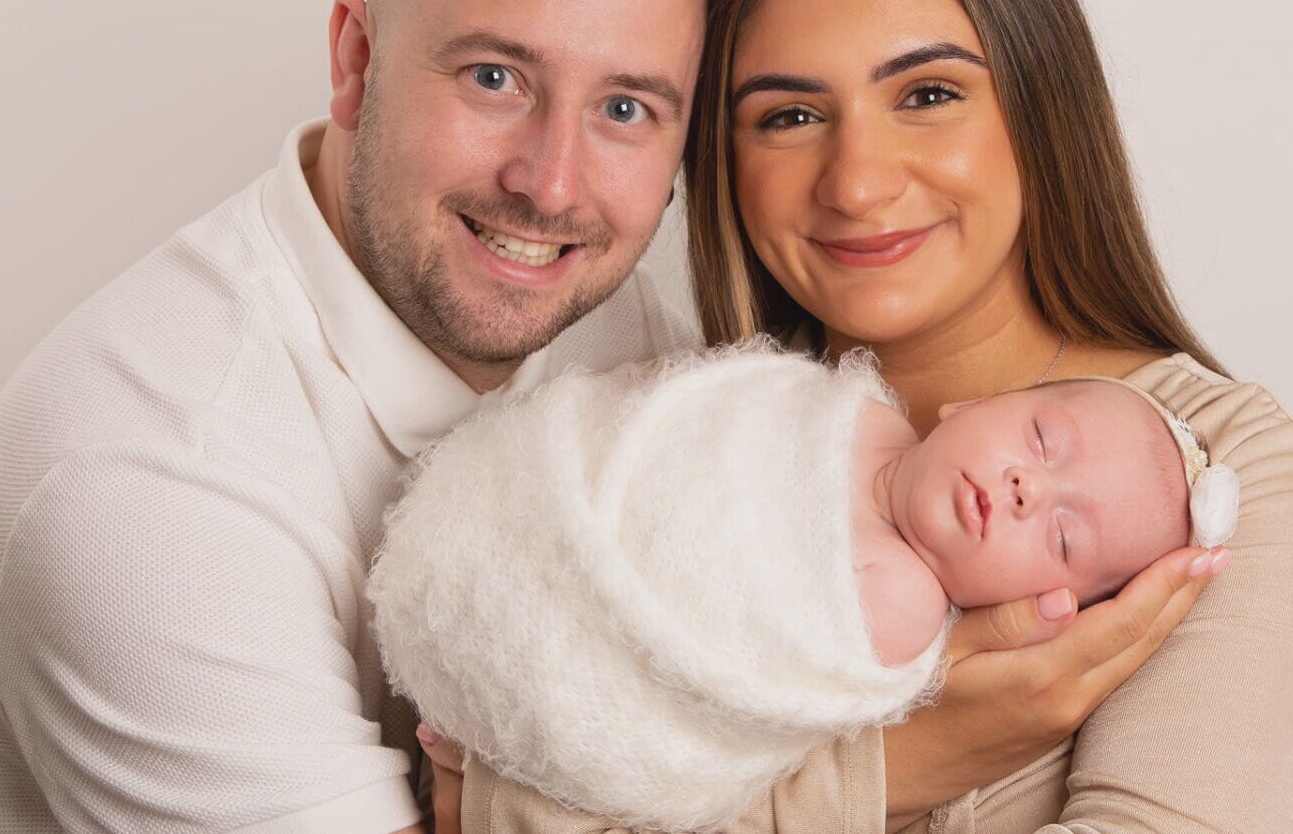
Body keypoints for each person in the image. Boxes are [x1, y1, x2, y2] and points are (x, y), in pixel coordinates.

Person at [448, 0, 1293, 834]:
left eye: (927, 95)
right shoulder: (672, 445)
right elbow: (481, 754)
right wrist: (913, 761)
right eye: (790, 116)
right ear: (722, 161)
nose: (857, 182)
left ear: (1042, 107)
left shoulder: (1232, 484)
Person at [0, 0, 713, 834]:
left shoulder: (612, 332)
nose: (549, 187)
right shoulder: (145, 473)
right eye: (495, 77)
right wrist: (926, 755)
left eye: (625, 109)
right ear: (356, 61)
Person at [370, 341, 1240, 833]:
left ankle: (498, 761)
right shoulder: (849, 404)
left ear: (1039, 608)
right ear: (968, 408)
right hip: (534, 526)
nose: (1025, 489)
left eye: (1059, 535)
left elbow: (733, 712)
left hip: (596, 659)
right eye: (1043, 442)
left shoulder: (899, 608)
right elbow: (672, 424)